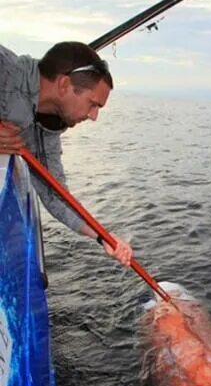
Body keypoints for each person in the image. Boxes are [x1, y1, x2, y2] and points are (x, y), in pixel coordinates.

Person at [0, 41, 132, 265]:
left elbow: (56, 195)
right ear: (64, 84)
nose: (94, 116)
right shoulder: (6, 69)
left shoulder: (45, 130)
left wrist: (103, 237)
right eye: (93, 104)